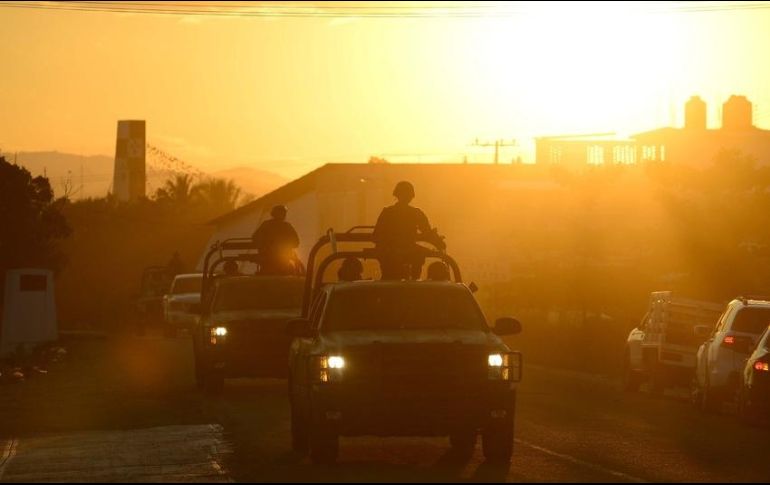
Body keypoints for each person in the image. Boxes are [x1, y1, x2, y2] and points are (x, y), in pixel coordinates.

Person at [373, 181, 445, 280]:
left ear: (396, 194)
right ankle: (414, 280)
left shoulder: (387, 212)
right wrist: (439, 243)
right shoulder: (415, 213)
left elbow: (376, 235)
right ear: (412, 196)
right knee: (419, 257)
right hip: (401, 252)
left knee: (388, 276)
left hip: (389, 254)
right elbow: (427, 233)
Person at [252, 205, 300, 275]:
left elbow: (255, 238)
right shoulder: (287, 226)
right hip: (275, 260)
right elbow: (296, 242)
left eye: (283, 213)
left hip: (270, 260)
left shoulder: (266, 225)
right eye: (281, 213)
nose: (283, 215)